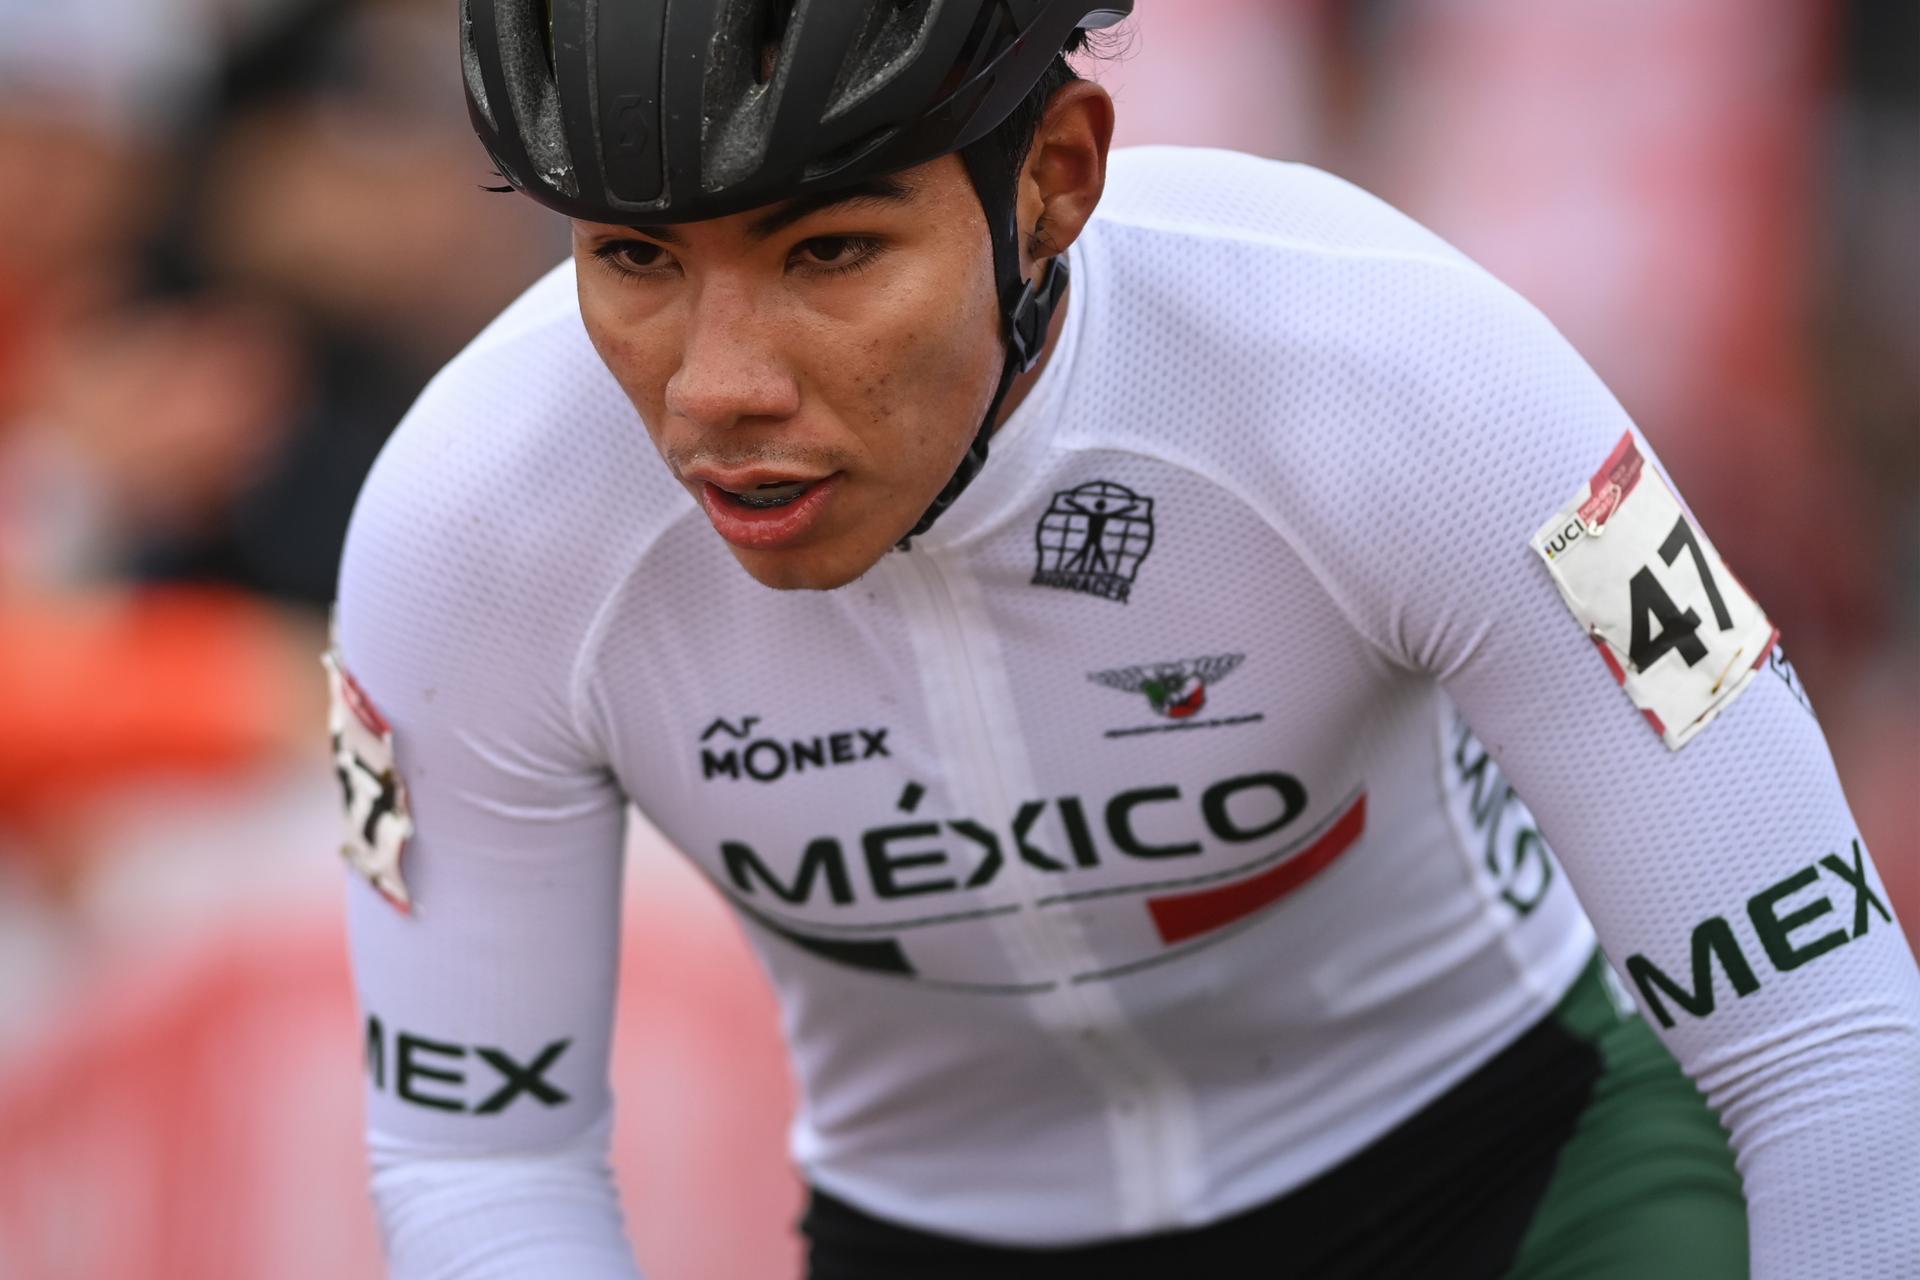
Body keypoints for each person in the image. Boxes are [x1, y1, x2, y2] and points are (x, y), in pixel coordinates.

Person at [331, 4, 1920, 1277]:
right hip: (944, 1236)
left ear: (1056, 177)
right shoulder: (474, 525)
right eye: (635, 259)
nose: (719, 388)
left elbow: (1829, 1030)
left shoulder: (1400, 371)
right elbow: (483, 1157)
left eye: (829, 252)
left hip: (1523, 1171)